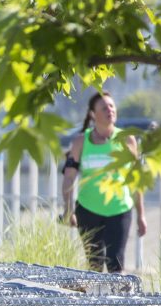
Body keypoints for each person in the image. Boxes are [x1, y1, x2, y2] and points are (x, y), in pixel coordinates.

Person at [61, 91, 148, 272]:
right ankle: (95, 292)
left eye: (112, 106)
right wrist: (68, 210)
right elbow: (69, 177)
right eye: (104, 107)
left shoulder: (127, 140)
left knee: (116, 263)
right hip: (88, 210)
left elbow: (135, 180)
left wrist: (141, 215)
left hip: (120, 209)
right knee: (94, 264)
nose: (110, 110)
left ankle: (117, 292)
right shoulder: (80, 142)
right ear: (93, 114)